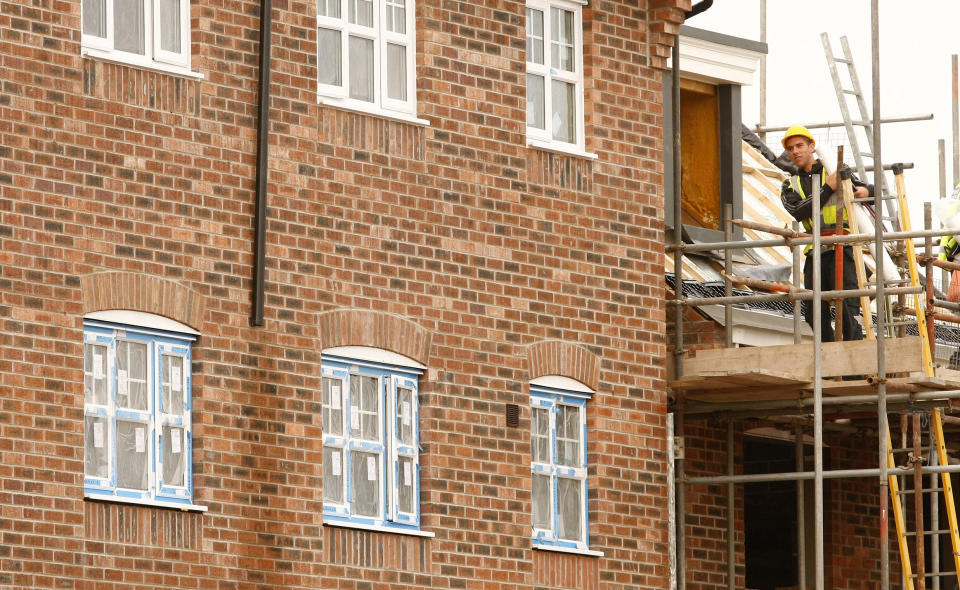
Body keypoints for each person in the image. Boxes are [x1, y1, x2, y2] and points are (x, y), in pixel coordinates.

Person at [779, 125, 873, 342]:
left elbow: (869, 191)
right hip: (816, 252)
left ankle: (853, 363)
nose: (795, 151)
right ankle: (830, 354)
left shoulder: (833, 168)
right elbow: (798, 211)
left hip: (844, 247)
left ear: (812, 146)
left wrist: (867, 192)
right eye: (791, 148)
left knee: (849, 310)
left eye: (800, 145)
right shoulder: (789, 184)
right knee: (813, 311)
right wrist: (827, 189)